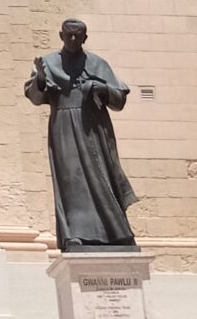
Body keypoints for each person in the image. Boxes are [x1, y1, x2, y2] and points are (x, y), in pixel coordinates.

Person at [24, 17, 140, 250]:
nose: (73, 38)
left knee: (103, 176)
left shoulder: (97, 63)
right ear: (61, 36)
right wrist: (40, 80)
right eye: (69, 34)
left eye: (78, 35)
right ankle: (75, 233)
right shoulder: (48, 63)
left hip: (93, 129)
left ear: (85, 38)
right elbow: (35, 98)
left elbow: (119, 100)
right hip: (64, 130)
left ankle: (117, 232)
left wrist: (101, 88)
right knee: (72, 182)